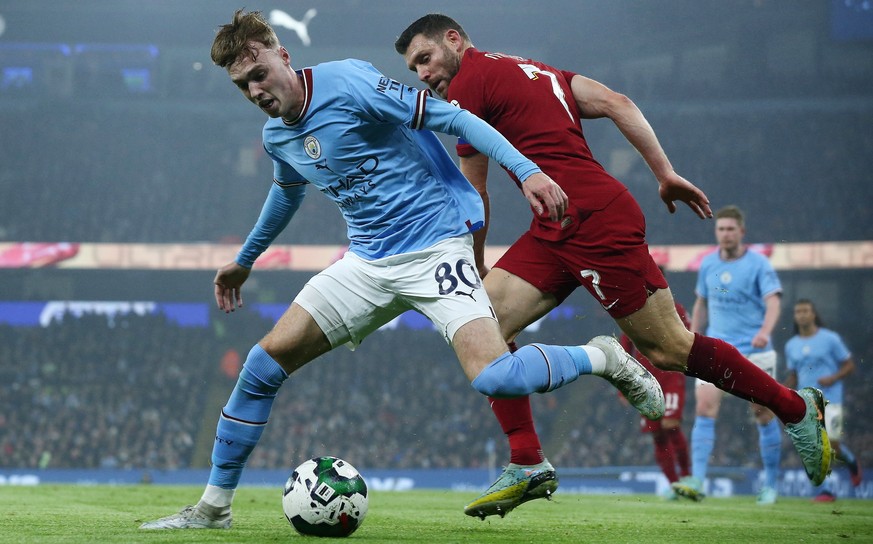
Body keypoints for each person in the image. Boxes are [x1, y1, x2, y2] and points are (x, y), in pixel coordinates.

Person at [139, 10, 664, 530]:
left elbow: (454, 118)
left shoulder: (347, 82)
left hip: (436, 246)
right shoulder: (278, 136)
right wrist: (244, 261)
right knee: (261, 366)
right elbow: (286, 191)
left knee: (495, 376)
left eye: (258, 74)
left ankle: (603, 356)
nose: (254, 91)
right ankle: (212, 509)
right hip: (366, 262)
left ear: (284, 56)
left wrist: (527, 172)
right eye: (241, 85)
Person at [394, 14, 832, 518]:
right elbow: (618, 103)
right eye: (414, 70)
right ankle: (527, 459)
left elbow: (475, 192)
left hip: (593, 221)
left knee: (669, 348)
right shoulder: (536, 70)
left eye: (425, 59)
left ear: (454, 40)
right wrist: (663, 174)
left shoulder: (470, 82)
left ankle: (796, 408)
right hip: (555, 226)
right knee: (482, 321)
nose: (423, 75)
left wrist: (471, 262)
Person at [672, 205, 784, 505]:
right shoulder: (708, 264)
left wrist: (764, 331)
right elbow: (701, 303)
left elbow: (773, 302)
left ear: (742, 232)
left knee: (763, 413)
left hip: (754, 348)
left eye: (731, 229)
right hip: (717, 350)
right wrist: (693, 335)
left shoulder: (759, 264)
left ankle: (771, 485)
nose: (725, 234)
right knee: (704, 409)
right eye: (721, 229)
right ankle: (697, 480)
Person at [618, 265, 691, 499]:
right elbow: (624, 351)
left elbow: (689, 340)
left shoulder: (675, 310)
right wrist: (624, 384)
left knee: (671, 425)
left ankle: (689, 476)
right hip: (646, 379)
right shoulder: (629, 311)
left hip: (671, 375)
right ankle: (674, 485)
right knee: (657, 434)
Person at [785, 299, 862, 502]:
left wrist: (833, 378)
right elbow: (793, 374)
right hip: (806, 403)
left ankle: (852, 462)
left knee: (833, 446)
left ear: (813, 314)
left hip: (831, 400)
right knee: (815, 447)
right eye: (798, 311)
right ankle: (826, 491)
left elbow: (849, 365)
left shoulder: (830, 339)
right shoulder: (791, 345)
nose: (801, 314)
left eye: (805, 311)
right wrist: (785, 393)